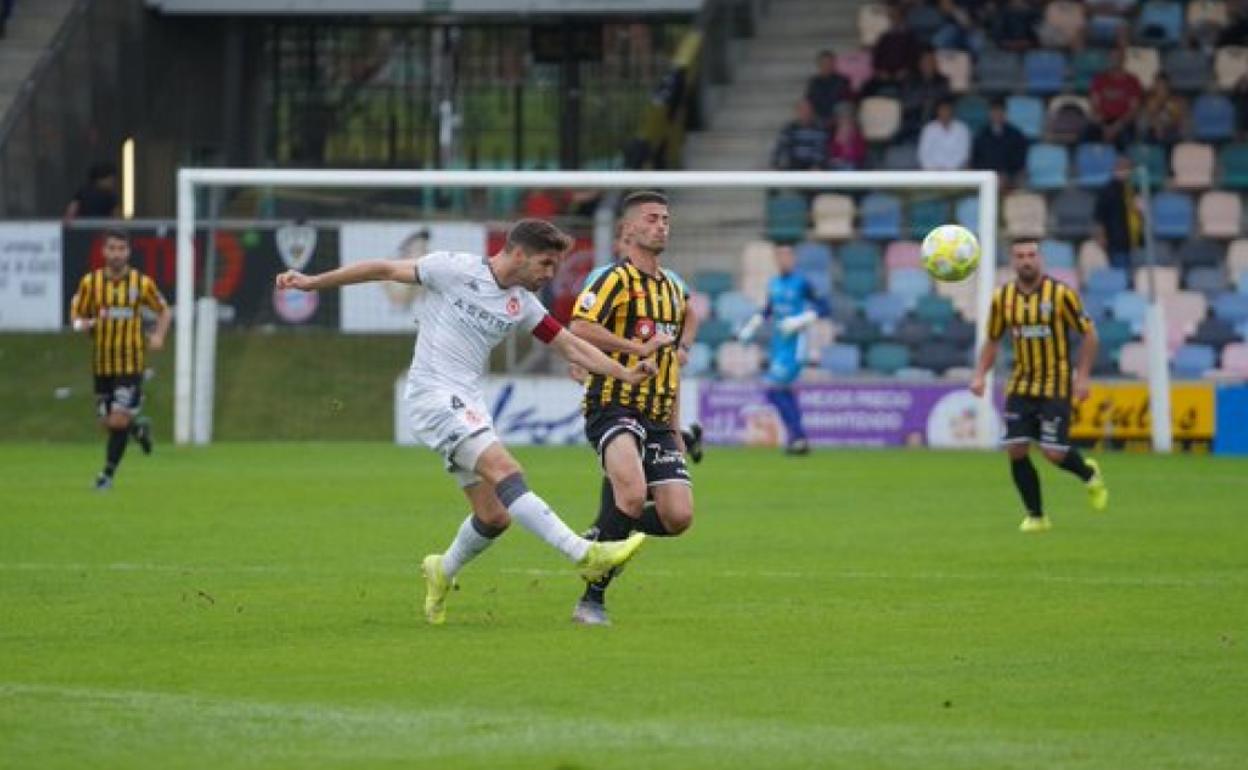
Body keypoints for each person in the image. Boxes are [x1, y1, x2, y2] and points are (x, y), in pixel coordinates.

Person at [276, 219, 655, 625]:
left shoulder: (522, 303)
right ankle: (584, 554)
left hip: (468, 403)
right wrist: (313, 282)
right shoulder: (452, 269)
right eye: (545, 263)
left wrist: (626, 374)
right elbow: (383, 269)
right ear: (518, 253)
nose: (550, 274)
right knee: (507, 470)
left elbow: (570, 344)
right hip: (433, 396)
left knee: (495, 516)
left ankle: (443, 568)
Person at [568, 191, 695, 626]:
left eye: (665, 218)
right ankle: (591, 601)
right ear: (629, 230)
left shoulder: (673, 292)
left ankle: (603, 532)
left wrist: (676, 428)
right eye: (652, 218)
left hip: (658, 414)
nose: (662, 225)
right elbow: (579, 327)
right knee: (632, 493)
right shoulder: (614, 280)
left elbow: (669, 365)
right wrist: (632, 347)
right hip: (613, 401)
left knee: (678, 517)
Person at [970, 238, 1109, 533]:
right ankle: (1036, 516)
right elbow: (993, 339)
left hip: (1055, 383)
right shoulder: (1003, 298)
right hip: (1020, 384)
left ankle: (1088, 474)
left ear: (1040, 259)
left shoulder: (1060, 295)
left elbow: (1090, 335)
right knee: (1016, 449)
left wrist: (1082, 376)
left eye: (1031, 255)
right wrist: (980, 374)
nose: (1026, 261)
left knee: (1053, 453)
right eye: (1020, 255)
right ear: (1012, 261)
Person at [69, 229, 171, 490]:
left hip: (130, 361)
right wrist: (87, 324)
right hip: (102, 363)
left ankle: (106, 476)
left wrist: (158, 336)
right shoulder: (90, 283)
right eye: (112, 248)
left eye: (121, 249)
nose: (116, 254)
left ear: (128, 252)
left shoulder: (141, 283)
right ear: (104, 251)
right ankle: (138, 430)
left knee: (117, 420)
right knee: (108, 423)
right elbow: (76, 318)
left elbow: (163, 310)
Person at [736, 244, 830, 455]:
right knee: (784, 392)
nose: (784, 261)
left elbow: (825, 307)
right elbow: (768, 311)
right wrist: (750, 328)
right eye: (780, 257)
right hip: (778, 343)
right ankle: (799, 439)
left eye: (787, 256)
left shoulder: (802, 282)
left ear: (793, 259)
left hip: (796, 343)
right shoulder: (774, 283)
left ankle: (797, 436)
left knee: (774, 390)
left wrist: (800, 320)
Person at [1093, 155, 1143, 270]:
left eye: (1127, 167)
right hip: (1116, 241)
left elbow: (1141, 213)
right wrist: (1101, 236)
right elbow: (1099, 216)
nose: (1124, 170)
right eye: (1121, 167)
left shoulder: (1134, 189)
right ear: (1115, 169)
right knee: (1120, 271)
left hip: (1134, 240)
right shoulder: (1107, 190)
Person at [1086, 47, 1142, 149]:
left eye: (1119, 57)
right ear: (1109, 59)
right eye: (1113, 57)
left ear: (1124, 59)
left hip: (1123, 122)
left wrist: (1116, 127)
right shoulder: (1100, 79)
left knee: (1126, 137)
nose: (1116, 60)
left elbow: (1133, 109)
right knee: (1088, 133)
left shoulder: (1133, 81)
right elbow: (1094, 105)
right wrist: (1104, 127)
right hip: (1103, 121)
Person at [972, 97, 1028, 186]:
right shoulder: (981, 135)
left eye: (1000, 111)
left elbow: (1020, 159)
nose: (997, 114)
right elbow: (976, 160)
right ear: (989, 113)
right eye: (994, 111)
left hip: (1010, 176)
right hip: (986, 177)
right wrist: (992, 175)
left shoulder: (1016, 134)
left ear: (1005, 113)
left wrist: (1006, 173)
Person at [771, 98, 828, 171]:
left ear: (812, 111)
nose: (805, 112)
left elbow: (820, 150)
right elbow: (780, 148)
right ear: (797, 111)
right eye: (802, 109)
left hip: (812, 167)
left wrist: (817, 164)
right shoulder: (789, 129)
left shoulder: (819, 129)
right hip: (793, 166)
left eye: (807, 109)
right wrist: (775, 164)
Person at [918, 97, 971, 170]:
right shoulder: (928, 129)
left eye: (947, 109)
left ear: (952, 110)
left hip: (956, 171)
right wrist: (934, 169)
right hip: (932, 171)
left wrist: (949, 168)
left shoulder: (962, 129)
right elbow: (923, 154)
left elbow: (964, 154)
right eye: (942, 110)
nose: (945, 112)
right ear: (937, 111)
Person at [1136, 73, 1188, 148]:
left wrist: (1164, 125)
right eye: (1158, 85)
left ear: (1167, 86)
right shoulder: (1150, 100)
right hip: (1153, 131)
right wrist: (1157, 125)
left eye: (1163, 86)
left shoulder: (1174, 100)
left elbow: (1175, 119)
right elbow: (1150, 117)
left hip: (1171, 130)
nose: (1160, 88)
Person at [805, 50, 852, 124]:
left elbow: (846, 102)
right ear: (819, 64)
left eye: (829, 62)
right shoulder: (814, 82)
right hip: (819, 118)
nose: (827, 65)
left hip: (838, 119)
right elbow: (809, 100)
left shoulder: (843, 81)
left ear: (834, 64)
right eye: (823, 63)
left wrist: (834, 118)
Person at [826, 106, 867, 170]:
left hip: (853, 166)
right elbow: (831, 154)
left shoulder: (858, 136)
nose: (844, 121)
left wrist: (848, 143)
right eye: (841, 118)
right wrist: (838, 142)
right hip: (835, 166)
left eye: (847, 118)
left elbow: (860, 155)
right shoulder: (833, 134)